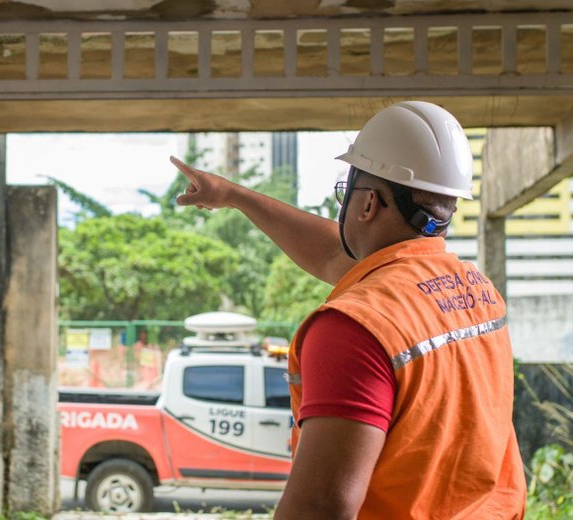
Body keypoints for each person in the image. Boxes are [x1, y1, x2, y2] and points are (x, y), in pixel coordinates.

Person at [171, 101, 526, 519]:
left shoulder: (355, 328)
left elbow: (322, 506)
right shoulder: (476, 292)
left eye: (346, 193)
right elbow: (329, 254)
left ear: (369, 204)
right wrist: (234, 196)